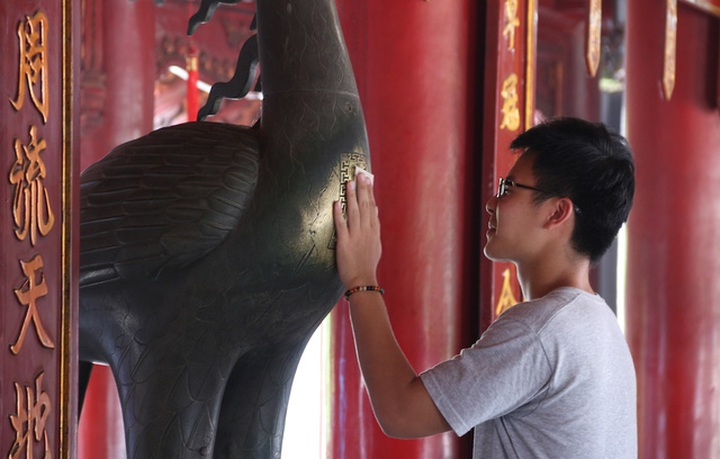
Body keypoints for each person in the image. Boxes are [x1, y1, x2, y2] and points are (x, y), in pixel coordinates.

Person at [332, 117, 637, 458]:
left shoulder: (542, 330)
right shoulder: (600, 325)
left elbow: (401, 412)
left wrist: (361, 278)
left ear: (556, 212)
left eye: (509, 188)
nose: (492, 202)